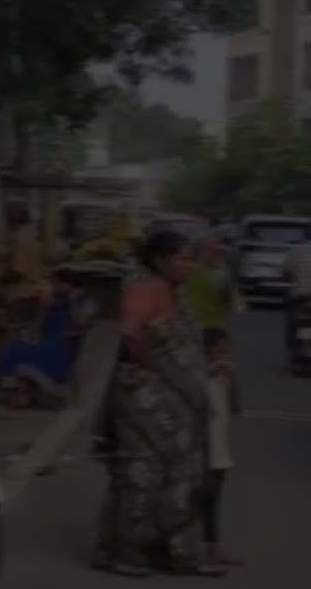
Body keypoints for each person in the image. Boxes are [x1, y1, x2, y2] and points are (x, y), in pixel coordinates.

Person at [93, 230, 222, 577]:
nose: (189, 265)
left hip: (176, 405)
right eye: (181, 258)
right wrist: (151, 367)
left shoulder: (176, 294)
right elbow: (131, 331)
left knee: (180, 476)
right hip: (146, 404)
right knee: (142, 476)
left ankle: (175, 552)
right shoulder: (146, 289)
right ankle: (124, 553)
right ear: (159, 261)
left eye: (191, 258)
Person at [184, 237, 242, 568]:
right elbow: (231, 304)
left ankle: (208, 545)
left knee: (211, 476)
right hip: (204, 350)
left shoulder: (198, 277)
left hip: (208, 351)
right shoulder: (215, 277)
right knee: (205, 479)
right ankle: (202, 546)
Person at [0, 269, 94, 408]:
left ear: (69, 285)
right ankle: (20, 390)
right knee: (14, 347)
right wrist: (43, 309)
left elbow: (80, 324)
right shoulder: (49, 301)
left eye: (57, 283)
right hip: (43, 340)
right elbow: (35, 330)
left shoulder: (85, 302)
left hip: (65, 343)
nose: (53, 286)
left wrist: (73, 301)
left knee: (50, 351)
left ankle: (49, 394)